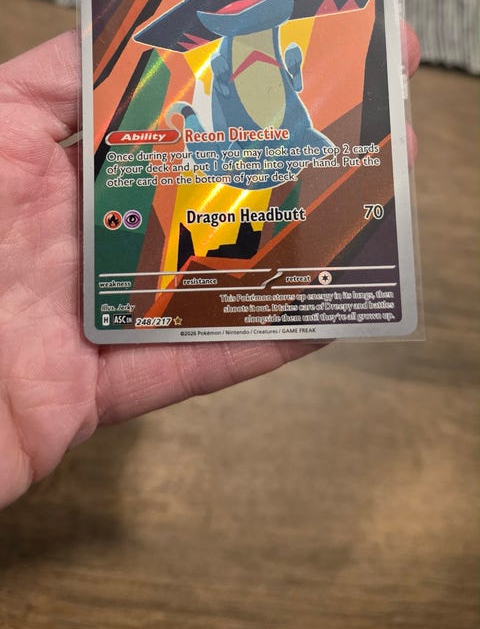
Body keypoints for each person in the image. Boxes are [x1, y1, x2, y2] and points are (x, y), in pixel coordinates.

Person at [0, 25, 420, 509]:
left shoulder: (281, 97)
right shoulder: (224, 86)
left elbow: (295, 128)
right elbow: (215, 144)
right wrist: (192, 125)